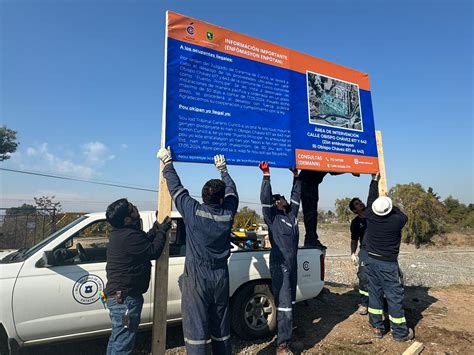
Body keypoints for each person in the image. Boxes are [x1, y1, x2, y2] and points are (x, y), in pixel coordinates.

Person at [157, 148, 238, 355]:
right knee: (220, 325)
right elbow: (232, 193)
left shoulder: (193, 211)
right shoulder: (227, 214)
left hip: (198, 278)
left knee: (196, 328)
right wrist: (224, 171)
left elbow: (176, 188)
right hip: (220, 276)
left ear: (203, 197)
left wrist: (167, 163)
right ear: (221, 200)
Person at [104, 199, 171, 354]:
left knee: (117, 339)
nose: (136, 208)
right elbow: (153, 251)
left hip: (121, 298)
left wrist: (157, 227)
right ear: (127, 219)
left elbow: (145, 241)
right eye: (132, 209)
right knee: (122, 344)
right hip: (125, 301)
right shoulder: (129, 237)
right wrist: (162, 232)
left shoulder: (122, 233)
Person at [364, 174, 415, 341]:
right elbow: (402, 214)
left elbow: (371, 199)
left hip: (370, 261)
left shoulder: (370, 215)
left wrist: (373, 181)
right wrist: (388, 201)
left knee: (374, 294)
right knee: (393, 296)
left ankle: (377, 328)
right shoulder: (397, 221)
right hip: (387, 264)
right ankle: (400, 333)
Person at [259, 161, 301, 354]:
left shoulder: (291, 216)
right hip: (280, 264)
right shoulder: (272, 217)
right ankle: (282, 345)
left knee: (290, 301)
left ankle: (289, 333)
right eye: (274, 200)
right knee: (284, 304)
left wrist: (296, 176)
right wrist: (266, 176)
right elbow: (265, 199)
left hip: (293, 264)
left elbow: (296, 195)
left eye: (279, 198)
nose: (276, 201)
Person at [349, 197, 369, 315]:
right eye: (357, 204)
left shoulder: (373, 215)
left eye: (360, 201)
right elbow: (354, 240)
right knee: (363, 276)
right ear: (354, 210)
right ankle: (364, 303)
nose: (360, 204)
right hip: (365, 251)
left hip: (379, 250)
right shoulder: (356, 223)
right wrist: (352, 253)